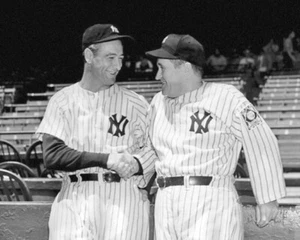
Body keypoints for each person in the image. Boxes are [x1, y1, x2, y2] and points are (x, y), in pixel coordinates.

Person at [146, 34, 286, 240]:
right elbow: (150, 150)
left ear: (184, 66)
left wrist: (268, 197)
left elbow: (261, 139)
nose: (157, 76)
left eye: (162, 67)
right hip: (165, 199)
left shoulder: (225, 96)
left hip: (210, 201)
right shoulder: (158, 102)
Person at [36, 23, 156, 240]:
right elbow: (52, 156)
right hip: (75, 196)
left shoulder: (136, 103)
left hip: (124, 199)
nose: (117, 65)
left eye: (120, 58)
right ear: (89, 56)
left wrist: (137, 164)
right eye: (110, 57)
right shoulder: (62, 100)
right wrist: (106, 159)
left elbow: (155, 150)